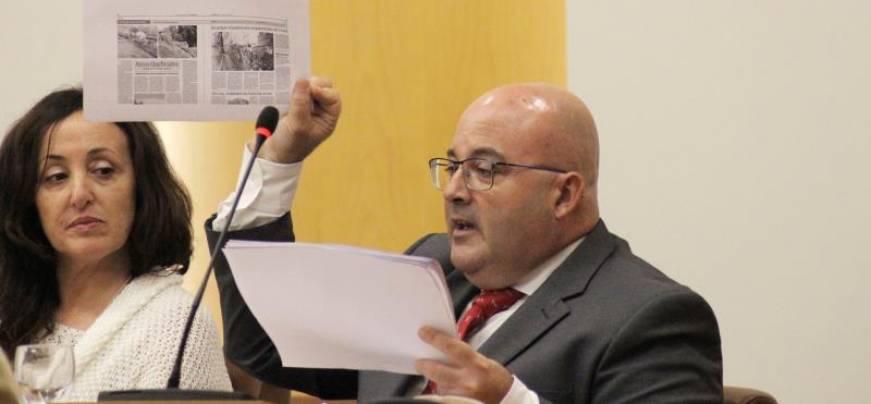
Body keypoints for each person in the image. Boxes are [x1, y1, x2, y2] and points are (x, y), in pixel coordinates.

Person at [208, 78, 723, 404]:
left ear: (564, 194)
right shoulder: (432, 267)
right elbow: (267, 347)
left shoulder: (651, 318)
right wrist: (280, 163)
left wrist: (512, 403)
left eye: (484, 169)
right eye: (453, 166)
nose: (454, 190)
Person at [0, 88, 231, 401]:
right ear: (29, 200)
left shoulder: (176, 326)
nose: (79, 194)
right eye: (56, 177)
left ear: (141, 188)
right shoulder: (10, 313)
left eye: (103, 171)